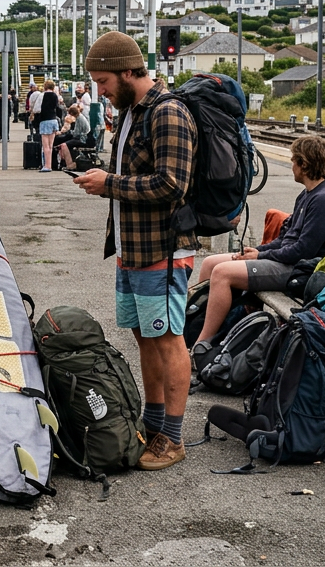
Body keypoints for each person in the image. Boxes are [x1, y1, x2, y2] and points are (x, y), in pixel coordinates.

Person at [74, 31, 197, 470]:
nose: (101, 91)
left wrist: (108, 183)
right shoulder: (129, 114)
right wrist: (103, 176)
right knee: (145, 337)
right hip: (133, 250)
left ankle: (175, 439)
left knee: (168, 340)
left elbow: (172, 183)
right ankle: (154, 421)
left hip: (163, 250)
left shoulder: (168, 113)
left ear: (129, 71)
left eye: (104, 81)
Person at [194, 136, 325, 343]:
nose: (292, 165)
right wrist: (257, 251)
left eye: (294, 160)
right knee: (210, 263)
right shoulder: (308, 194)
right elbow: (287, 237)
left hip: (303, 270)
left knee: (223, 273)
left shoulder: (324, 200)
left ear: (304, 164)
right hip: (290, 261)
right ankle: (196, 329)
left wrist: (262, 255)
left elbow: (304, 251)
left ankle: (202, 343)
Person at [56, 104, 92, 171]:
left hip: (82, 139)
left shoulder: (79, 119)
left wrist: (66, 132)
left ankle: (70, 164)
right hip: (84, 138)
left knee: (64, 145)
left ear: (72, 113)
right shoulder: (80, 117)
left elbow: (76, 133)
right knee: (67, 143)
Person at [37, 79, 60, 172]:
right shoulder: (55, 96)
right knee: (51, 145)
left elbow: (37, 108)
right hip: (54, 120)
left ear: (45, 86)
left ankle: (47, 165)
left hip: (45, 121)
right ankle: (49, 165)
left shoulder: (42, 95)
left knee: (45, 146)